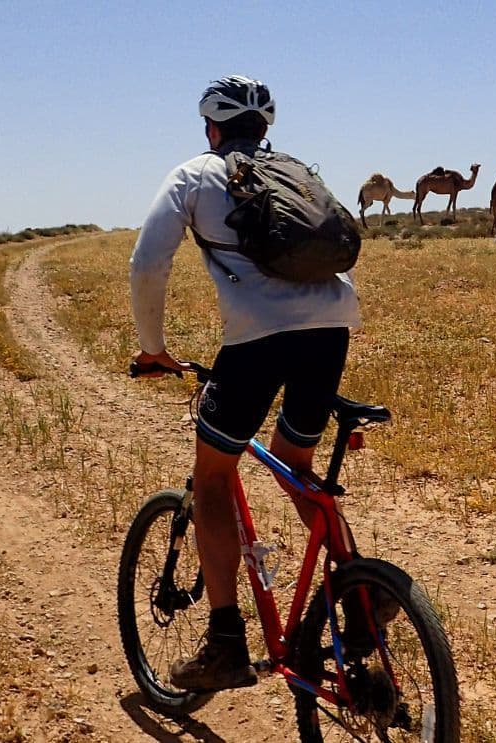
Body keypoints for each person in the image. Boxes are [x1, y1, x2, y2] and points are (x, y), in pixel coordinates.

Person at [129, 76, 361, 691]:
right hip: (334, 326)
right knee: (295, 461)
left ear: (211, 128)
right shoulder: (293, 172)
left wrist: (154, 348)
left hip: (256, 340)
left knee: (213, 473)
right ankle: (362, 598)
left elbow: (147, 262)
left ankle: (226, 642)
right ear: (265, 129)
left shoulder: (193, 175)